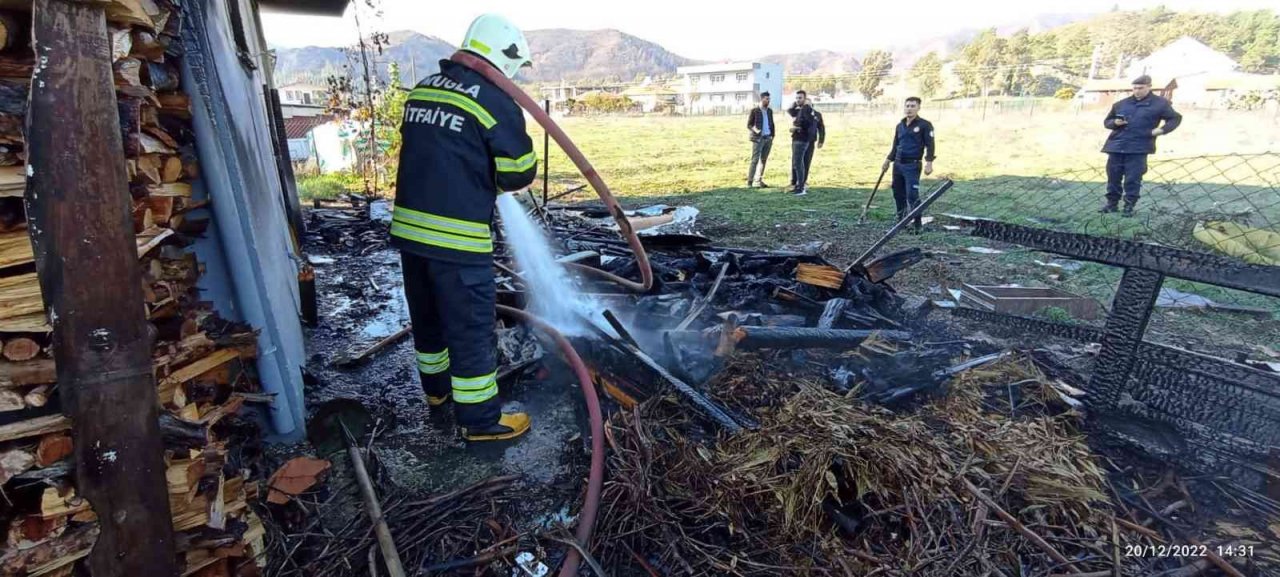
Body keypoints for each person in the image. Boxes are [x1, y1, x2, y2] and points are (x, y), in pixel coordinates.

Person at [391, 13, 538, 442]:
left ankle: (437, 395)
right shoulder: (493, 102)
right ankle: (481, 423)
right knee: (471, 328)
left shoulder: (422, 92)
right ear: (505, 59)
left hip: (411, 236)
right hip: (458, 242)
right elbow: (518, 173)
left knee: (429, 322)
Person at [1100, 75, 1181, 217]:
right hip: (1116, 145)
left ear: (1149, 86)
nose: (1137, 91)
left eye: (1140, 88)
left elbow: (1175, 118)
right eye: (1134, 88)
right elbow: (1107, 122)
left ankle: (1128, 206)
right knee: (1113, 177)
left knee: (1133, 178)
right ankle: (1111, 205)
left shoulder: (1160, 104)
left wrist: (1161, 130)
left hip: (1139, 147)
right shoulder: (1121, 104)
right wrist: (1115, 123)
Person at [881, 96, 935, 230]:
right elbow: (895, 145)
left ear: (918, 108)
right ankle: (901, 220)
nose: (909, 109)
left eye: (912, 106)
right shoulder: (900, 125)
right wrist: (888, 160)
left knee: (912, 194)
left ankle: (917, 224)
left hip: (912, 165)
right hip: (898, 164)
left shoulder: (925, 125)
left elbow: (930, 145)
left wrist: (929, 163)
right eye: (907, 106)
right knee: (897, 193)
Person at [787, 90, 817, 196]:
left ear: (805, 98)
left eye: (800, 98)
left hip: (801, 139)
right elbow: (790, 111)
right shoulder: (800, 109)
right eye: (797, 98)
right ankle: (799, 186)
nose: (798, 100)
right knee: (797, 163)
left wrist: (795, 128)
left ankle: (801, 187)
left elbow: (807, 124)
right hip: (798, 139)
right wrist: (795, 104)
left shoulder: (806, 109)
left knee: (799, 164)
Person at [746, 92, 775, 188]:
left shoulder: (770, 111)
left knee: (763, 160)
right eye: (766, 98)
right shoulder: (755, 110)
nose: (768, 100)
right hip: (758, 138)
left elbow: (772, 123)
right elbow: (749, 125)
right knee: (755, 159)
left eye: (769, 99)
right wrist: (756, 130)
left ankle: (758, 180)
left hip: (768, 138)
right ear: (762, 99)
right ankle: (750, 182)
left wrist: (772, 135)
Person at [802, 94, 825, 187]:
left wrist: (821, 140)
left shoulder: (817, 115)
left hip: (811, 141)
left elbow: (821, 128)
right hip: (800, 141)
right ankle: (796, 181)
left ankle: (804, 180)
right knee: (798, 161)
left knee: (807, 161)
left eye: (809, 104)